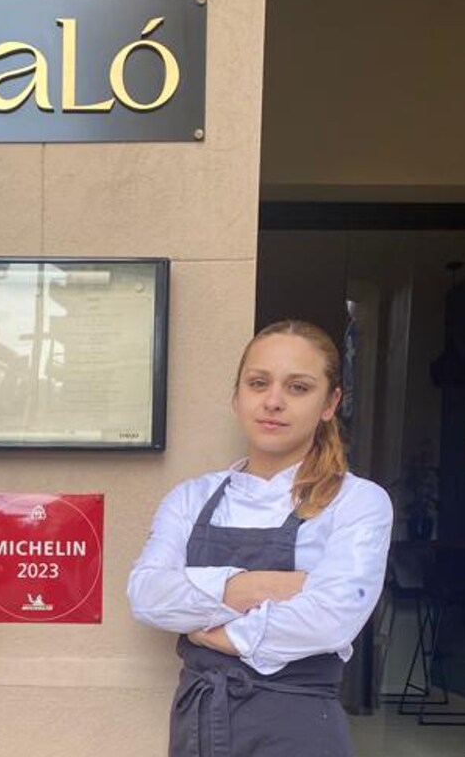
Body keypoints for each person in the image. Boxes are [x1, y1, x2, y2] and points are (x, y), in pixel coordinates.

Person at [127, 320, 392, 757]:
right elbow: (147, 595)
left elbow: (329, 620)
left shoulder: (358, 502)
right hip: (198, 723)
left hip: (298, 729)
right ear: (237, 397)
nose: (273, 401)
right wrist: (260, 586)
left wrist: (207, 630)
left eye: (298, 388)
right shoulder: (191, 497)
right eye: (258, 383)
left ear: (331, 403)